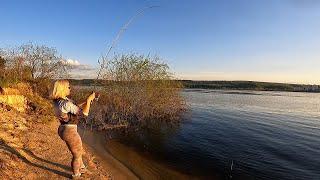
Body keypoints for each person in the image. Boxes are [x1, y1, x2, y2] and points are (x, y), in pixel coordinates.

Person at [51, 80, 95, 178]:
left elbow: (74, 108)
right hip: (69, 131)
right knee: (77, 154)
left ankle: (82, 168)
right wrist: (88, 101)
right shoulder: (65, 103)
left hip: (63, 128)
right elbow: (84, 114)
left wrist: (87, 100)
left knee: (77, 150)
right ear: (62, 89)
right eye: (68, 87)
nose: (70, 88)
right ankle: (76, 175)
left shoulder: (59, 101)